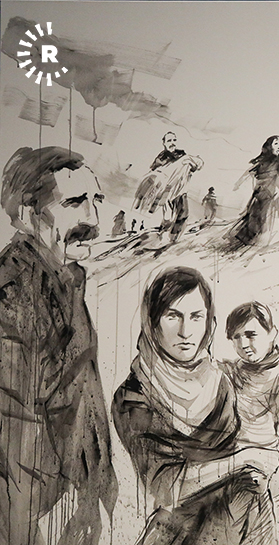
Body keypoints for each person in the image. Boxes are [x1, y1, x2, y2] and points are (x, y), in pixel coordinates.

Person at [112, 268, 279, 545]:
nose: (185, 331)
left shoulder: (220, 383)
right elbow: (167, 490)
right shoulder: (134, 396)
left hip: (234, 519)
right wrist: (244, 461)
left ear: (209, 323)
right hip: (179, 532)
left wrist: (249, 470)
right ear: (153, 322)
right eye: (172, 316)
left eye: (195, 316)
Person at [0, 146, 117, 545]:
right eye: (74, 202)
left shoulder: (67, 279)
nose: (93, 220)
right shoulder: (11, 295)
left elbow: (84, 393)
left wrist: (97, 489)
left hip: (70, 501)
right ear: (27, 214)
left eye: (96, 200)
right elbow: (16, 431)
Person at [224, 301, 279, 450]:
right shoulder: (233, 370)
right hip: (229, 451)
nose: (243, 344)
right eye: (236, 337)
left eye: (250, 335)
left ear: (272, 334)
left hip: (265, 454)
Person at [133, 131, 204, 242]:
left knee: (183, 213)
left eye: (174, 140)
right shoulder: (161, 158)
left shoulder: (182, 155)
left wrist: (191, 163)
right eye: (169, 140)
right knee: (168, 215)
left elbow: (194, 167)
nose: (172, 143)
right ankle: (163, 233)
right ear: (164, 143)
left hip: (180, 190)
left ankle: (173, 238)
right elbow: (154, 174)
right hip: (166, 191)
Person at [228, 135, 279, 247]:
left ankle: (256, 241)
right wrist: (238, 184)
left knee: (263, 217)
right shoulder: (263, 160)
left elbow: (276, 177)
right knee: (257, 216)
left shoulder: (277, 160)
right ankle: (249, 241)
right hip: (262, 191)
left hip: (270, 192)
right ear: (269, 146)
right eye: (276, 144)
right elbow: (248, 172)